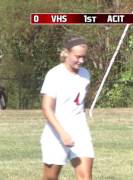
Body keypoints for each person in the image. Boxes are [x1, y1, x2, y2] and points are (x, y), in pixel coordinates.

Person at [40, 37, 94, 180]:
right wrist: (63, 134)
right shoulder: (54, 75)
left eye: (83, 57)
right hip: (55, 133)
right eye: (78, 57)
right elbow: (46, 108)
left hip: (80, 131)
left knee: (85, 177)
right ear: (67, 53)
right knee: (50, 178)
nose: (81, 61)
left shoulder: (85, 75)